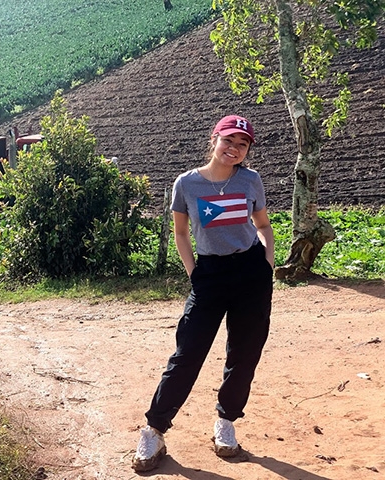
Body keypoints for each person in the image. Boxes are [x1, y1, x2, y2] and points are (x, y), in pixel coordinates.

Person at [132, 115, 275, 472]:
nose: (234, 149)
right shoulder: (188, 184)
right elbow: (181, 233)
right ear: (214, 139)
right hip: (209, 274)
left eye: (242, 144)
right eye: (229, 140)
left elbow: (263, 225)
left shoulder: (250, 180)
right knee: (188, 353)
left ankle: (225, 422)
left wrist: (266, 263)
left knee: (245, 352)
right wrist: (194, 272)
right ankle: (155, 429)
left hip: (250, 273)